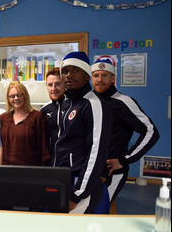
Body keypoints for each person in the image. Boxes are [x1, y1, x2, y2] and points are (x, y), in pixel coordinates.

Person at [91, 59, 159, 205]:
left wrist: (124, 160)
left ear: (113, 78)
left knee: (97, 209)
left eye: (105, 75)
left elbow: (151, 131)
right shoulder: (89, 102)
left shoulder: (123, 101)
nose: (100, 79)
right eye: (96, 75)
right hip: (90, 170)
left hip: (112, 171)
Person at [55, 51, 112, 214]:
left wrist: (77, 194)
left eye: (75, 70)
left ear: (87, 75)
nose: (69, 75)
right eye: (65, 71)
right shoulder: (67, 104)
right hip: (62, 180)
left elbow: (96, 153)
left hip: (80, 186)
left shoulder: (93, 105)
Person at [0, 81, 50, 165]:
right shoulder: (3, 118)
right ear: (8, 99)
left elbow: (43, 147)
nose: (16, 98)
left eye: (19, 95)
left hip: (30, 170)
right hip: (7, 169)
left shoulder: (37, 117)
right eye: (12, 96)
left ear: (25, 96)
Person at [41, 68, 66, 157]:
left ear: (65, 84)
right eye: (50, 85)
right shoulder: (44, 110)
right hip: (49, 162)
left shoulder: (73, 106)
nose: (53, 88)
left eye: (58, 84)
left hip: (70, 162)